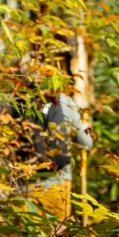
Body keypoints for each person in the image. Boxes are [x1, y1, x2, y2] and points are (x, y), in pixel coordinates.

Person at [18, 91, 94, 220]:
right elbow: (85, 143)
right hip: (58, 184)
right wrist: (86, 128)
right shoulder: (64, 101)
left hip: (23, 185)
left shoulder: (15, 99)